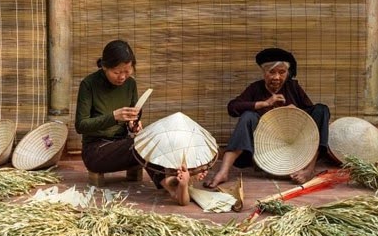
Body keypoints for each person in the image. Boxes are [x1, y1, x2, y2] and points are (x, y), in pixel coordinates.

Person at [74, 39, 197, 205]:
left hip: (124, 145)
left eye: (127, 71)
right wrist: (114, 116)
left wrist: (133, 123)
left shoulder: (130, 84)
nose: (122, 76)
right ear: (104, 66)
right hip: (96, 151)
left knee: (152, 137)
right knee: (139, 145)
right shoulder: (88, 85)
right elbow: (81, 125)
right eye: (117, 72)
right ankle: (170, 184)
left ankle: (176, 179)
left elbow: (133, 114)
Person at [204, 47, 330, 188]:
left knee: (321, 110)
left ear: (287, 73)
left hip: (293, 144)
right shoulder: (255, 88)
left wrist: (297, 111)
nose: (276, 77)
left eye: (282, 72)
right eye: (272, 72)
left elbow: (312, 122)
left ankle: (308, 170)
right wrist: (264, 103)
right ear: (264, 73)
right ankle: (223, 171)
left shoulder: (293, 87)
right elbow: (232, 107)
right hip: (265, 149)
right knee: (248, 116)